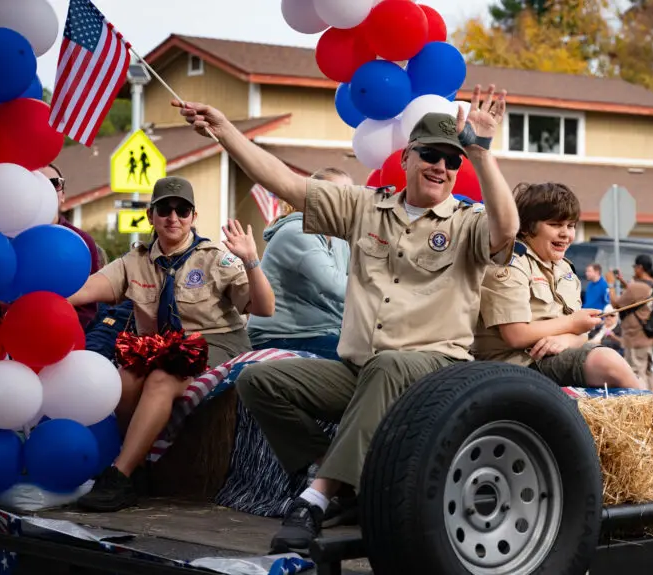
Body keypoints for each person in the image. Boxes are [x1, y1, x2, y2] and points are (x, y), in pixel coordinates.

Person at [173, 85, 519, 554]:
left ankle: (315, 501)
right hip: (361, 369)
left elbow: (506, 229)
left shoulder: (466, 222)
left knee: (389, 365)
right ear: (407, 158)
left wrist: (480, 152)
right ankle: (335, 478)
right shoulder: (365, 206)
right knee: (258, 380)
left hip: (433, 372)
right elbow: (286, 184)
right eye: (431, 154)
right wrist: (226, 132)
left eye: (451, 159)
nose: (441, 165)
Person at [65, 176, 276, 512]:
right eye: (165, 208)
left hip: (215, 344)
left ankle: (119, 476)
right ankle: (140, 469)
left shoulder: (215, 258)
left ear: (193, 216)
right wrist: (36, 294)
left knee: (161, 380)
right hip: (161, 348)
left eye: (182, 209)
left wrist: (251, 261)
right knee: (122, 381)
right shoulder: (135, 261)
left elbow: (264, 308)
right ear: (151, 215)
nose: (173, 217)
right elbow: (86, 290)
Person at [472, 182, 646, 390]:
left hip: (553, 359)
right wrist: (571, 324)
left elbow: (581, 334)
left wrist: (567, 339)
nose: (566, 234)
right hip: (516, 366)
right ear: (527, 227)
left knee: (616, 365)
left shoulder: (565, 270)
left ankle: (650, 412)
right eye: (555, 224)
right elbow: (516, 335)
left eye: (571, 226)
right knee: (607, 362)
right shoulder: (510, 263)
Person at [246, 168, 353, 360]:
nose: (347, 203)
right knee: (366, 360)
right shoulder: (297, 232)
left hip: (322, 332)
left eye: (350, 196)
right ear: (314, 199)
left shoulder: (339, 237)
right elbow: (335, 286)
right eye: (338, 195)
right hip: (282, 337)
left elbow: (357, 278)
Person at [38, 163, 104, 329]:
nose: (46, 189)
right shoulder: (10, 237)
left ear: (63, 196)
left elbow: (89, 307)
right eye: (37, 182)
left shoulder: (81, 241)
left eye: (54, 183)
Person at [614, 255, 653, 385]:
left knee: (636, 372)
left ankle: (643, 402)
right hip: (650, 336)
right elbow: (635, 296)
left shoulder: (638, 287)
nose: (634, 270)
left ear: (640, 268)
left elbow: (616, 304)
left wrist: (611, 283)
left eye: (634, 267)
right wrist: (624, 283)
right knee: (648, 371)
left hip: (636, 337)